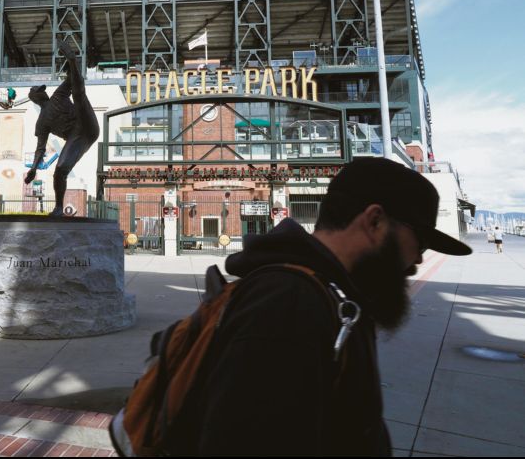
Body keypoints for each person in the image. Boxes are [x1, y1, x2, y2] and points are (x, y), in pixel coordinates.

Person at [167, 158, 472, 456]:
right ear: (375, 221)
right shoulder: (289, 306)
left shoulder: (331, 296)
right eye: (419, 242)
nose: (418, 260)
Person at [24, 40, 99, 217]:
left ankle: (72, 58)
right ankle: (59, 208)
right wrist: (34, 168)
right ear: (36, 97)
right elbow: (40, 148)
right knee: (60, 170)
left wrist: (73, 62)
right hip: (77, 137)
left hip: (86, 122)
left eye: (42, 89)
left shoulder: (58, 95)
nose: (44, 91)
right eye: (39, 91)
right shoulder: (41, 123)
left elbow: (73, 79)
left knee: (78, 93)